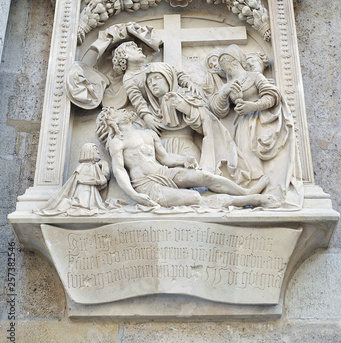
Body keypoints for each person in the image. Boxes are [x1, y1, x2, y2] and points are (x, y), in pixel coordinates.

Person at [95, 107, 278, 209]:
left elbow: (165, 158)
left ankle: (246, 192)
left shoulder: (148, 134)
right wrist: (135, 195)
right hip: (147, 185)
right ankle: (250, 201)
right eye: (116, 112)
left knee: (205, 177)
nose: (122, 111)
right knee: (194, 197)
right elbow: (119, 171)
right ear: (112, 121)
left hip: (164, 172)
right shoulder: (117, 142)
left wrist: (184, 160)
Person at [209, 45, 303, 209]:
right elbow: (219, 111)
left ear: (238, 60)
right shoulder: (229, 84)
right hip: (242, 124)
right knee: (243, 157)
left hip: (259, 122)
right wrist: (224, 93)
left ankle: (263, 189)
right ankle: (249, 192)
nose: (227, 65)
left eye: (229, 60)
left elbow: (272, 96)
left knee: (254, 153)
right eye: (223, 63)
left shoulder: (255, 76)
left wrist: (252, 106)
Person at [37, 143, 110, 216]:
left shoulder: (94, 167)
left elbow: (105, 176)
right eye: (95, 149)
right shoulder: (83, 166)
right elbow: (82, 179)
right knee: (83, 207)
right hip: (84, 192)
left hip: (91, 192)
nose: (98, 152)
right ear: (88, 152)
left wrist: (104, 165)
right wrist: (98, 181)